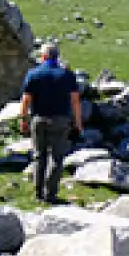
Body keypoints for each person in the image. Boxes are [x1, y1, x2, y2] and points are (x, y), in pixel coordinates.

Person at [19, 43, 83, 205]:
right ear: (57, 57)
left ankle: (38, 191)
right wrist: (78, 123)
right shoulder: (67, 75)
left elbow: (26, 100)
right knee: (56, 157)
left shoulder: (34, 74)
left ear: (44, 57)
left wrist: (23, 119)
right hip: (61, 120)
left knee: (39, 156)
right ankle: (51, 193)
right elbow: (75, 101)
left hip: (39, 119)